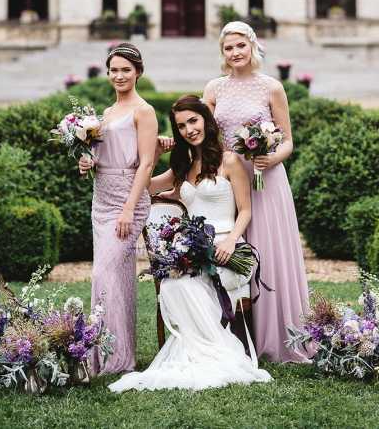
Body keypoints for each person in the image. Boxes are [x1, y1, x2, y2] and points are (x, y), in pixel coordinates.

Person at [109, 95, 272, 393]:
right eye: (181, 126)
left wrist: (232, 241)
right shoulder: (182, 165)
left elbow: (246, 210)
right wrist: (156, 153)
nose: (189, 129)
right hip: (193, 250)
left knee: (187, 284)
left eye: (193, 121)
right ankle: (202, 353)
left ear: (206, 121)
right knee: (173, 284)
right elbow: (146, 185)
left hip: (228, 248)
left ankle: (211, 352)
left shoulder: (229, 160)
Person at [203, 21, 310, 364]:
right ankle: (234, 334)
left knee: (268, 251)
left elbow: (288, 140)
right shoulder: (214, 88)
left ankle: (278, 336)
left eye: (240, 46)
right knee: (233, 247)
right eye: (228, 48)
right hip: (229, 181)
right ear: (222, 53)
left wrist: (269, 157)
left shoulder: (271, 87)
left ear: (252, 47)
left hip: (267, 181)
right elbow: (200, 133)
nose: (235, 53)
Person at [79, 42, 158, 375]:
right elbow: (102, 157)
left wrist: (129, 209)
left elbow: (147, 163)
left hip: (129, 200)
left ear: (138, 72)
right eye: (114, 70)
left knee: (103, 273)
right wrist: (87, 162)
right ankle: (112, 355)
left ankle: (114, 356)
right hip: (102, 200)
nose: (119, 75)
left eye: (126, 69)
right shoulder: (105, 114)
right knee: (114, 278)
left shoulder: (144, 111)